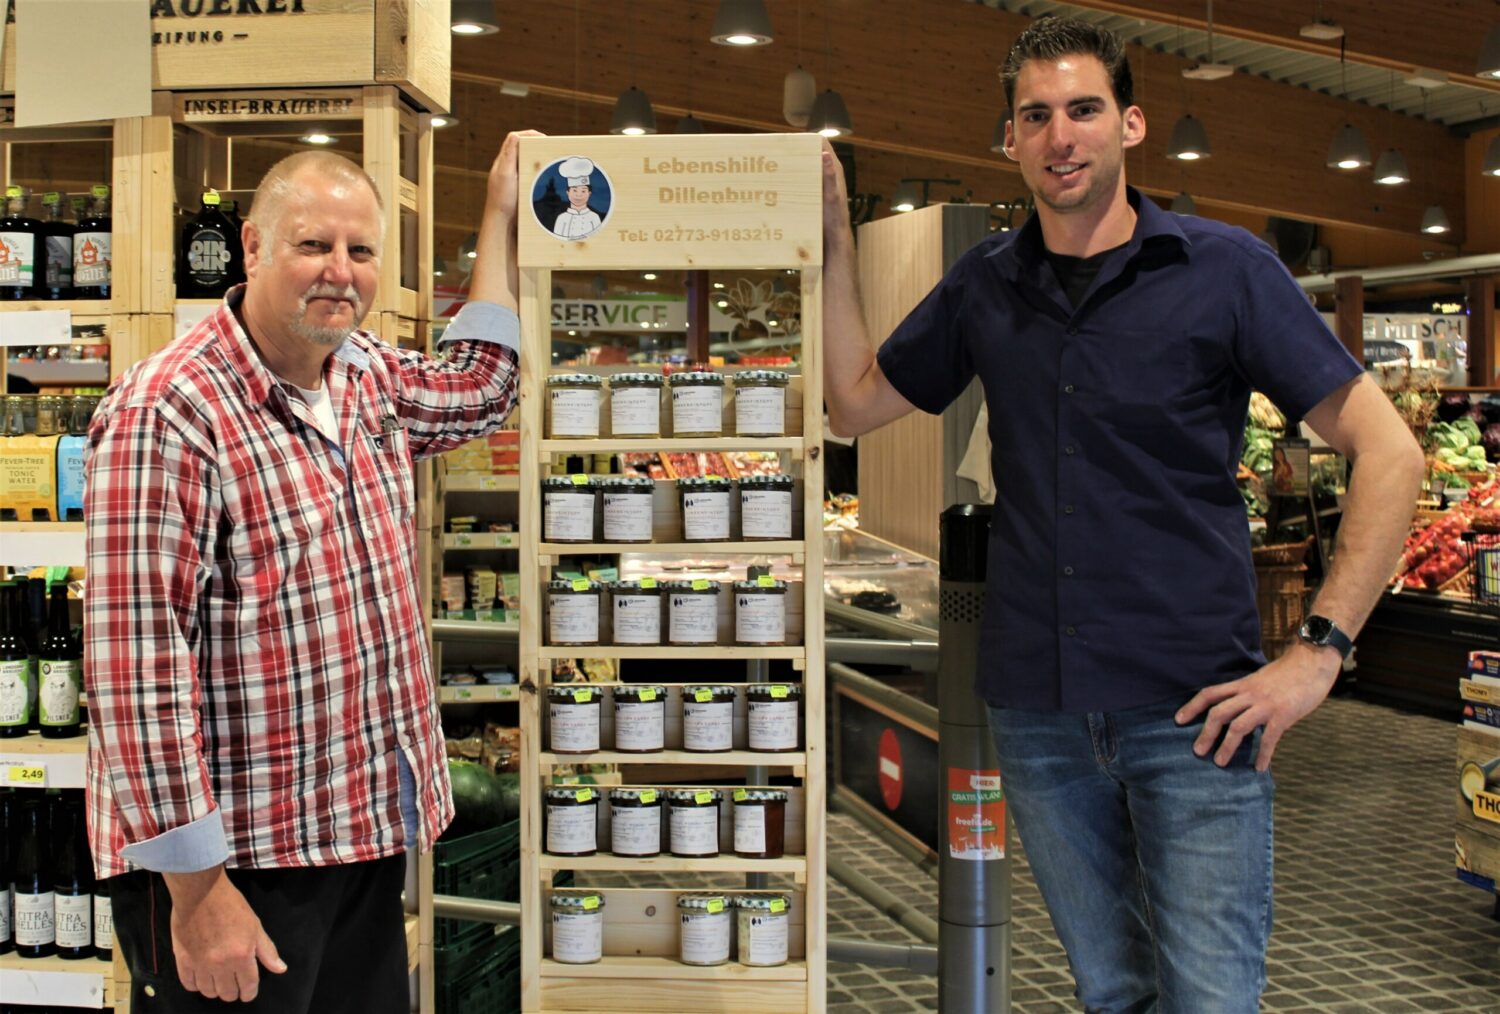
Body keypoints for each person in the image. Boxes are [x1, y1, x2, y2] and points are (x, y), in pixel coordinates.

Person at [820, 16, 1423, 1012]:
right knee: (1113, 994)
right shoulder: (987, 284)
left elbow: (1391, 454)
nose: (1062, 135)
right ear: (1009, 141)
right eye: (1037, 115)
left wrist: (1318, 654)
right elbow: (853, 402)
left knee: (1210, 999)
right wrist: (838, 237)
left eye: (1085, 109)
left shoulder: (1225, 272)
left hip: (1196, 713)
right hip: (1041, 713)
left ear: (1131, 123)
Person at [83, 130, 539, 1012]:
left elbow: (483, 386)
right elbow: (136, 672)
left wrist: (500, 212)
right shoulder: (169, 409)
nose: (342, 271)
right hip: (241, 869)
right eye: (313, 245)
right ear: (252, 247)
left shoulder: (363, 374)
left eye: (360, 250)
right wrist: (198, 894)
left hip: (356, 833)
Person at [551, 156, 604, 240]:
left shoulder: (594, 217)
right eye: (574, 190)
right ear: (568, 193)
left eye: (583, 191)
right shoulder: (562, 218)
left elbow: (599, 240)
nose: (578, 195)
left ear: (589, 194)